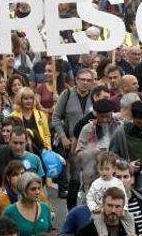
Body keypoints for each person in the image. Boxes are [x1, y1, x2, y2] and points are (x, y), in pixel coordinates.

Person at [52, 68, 96, 205]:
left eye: (89, 80)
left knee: (90, 177)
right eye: (82, 79)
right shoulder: (67, 94)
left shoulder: (95, 96)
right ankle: (71, 209)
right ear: (76, 80)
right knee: (75, 178)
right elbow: (56, 117)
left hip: (92, 143)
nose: (85, 83)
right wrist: (63, 137)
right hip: (72, 142)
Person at [0, 172, 54, 236]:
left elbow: (50, 231)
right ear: (23, 190)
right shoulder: (9, 212)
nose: (37, 192)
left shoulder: (45, 208)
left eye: (39, 188)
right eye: (33, 189)